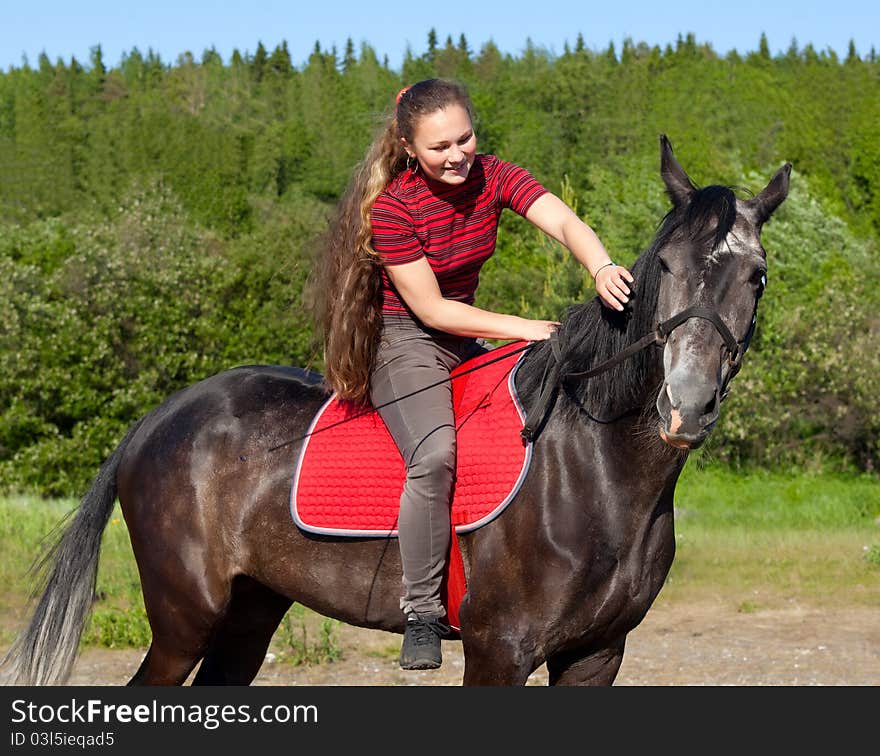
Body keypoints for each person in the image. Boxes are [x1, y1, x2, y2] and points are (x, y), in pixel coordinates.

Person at [312, 78, 633, 670]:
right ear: (409, 147)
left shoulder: (494, 175)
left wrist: (601, 264)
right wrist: (523, 327)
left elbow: (563, 222)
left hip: (466, 339)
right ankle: (422, 611)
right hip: (408, 342)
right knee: (433, 456)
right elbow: (431, 309)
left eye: (464, 138)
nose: (457, 154)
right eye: (439, 147)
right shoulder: (393, 210)